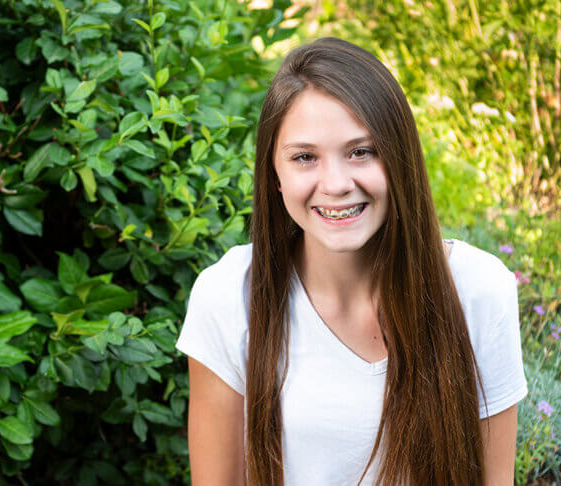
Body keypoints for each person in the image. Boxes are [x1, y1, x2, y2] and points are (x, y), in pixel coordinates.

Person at [175, 37, 528, 485]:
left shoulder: (477, 289)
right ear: (274, 177)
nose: (337, 183)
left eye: (361, 151)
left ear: (399, 158)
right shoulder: (229, 296)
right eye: (305, 157)